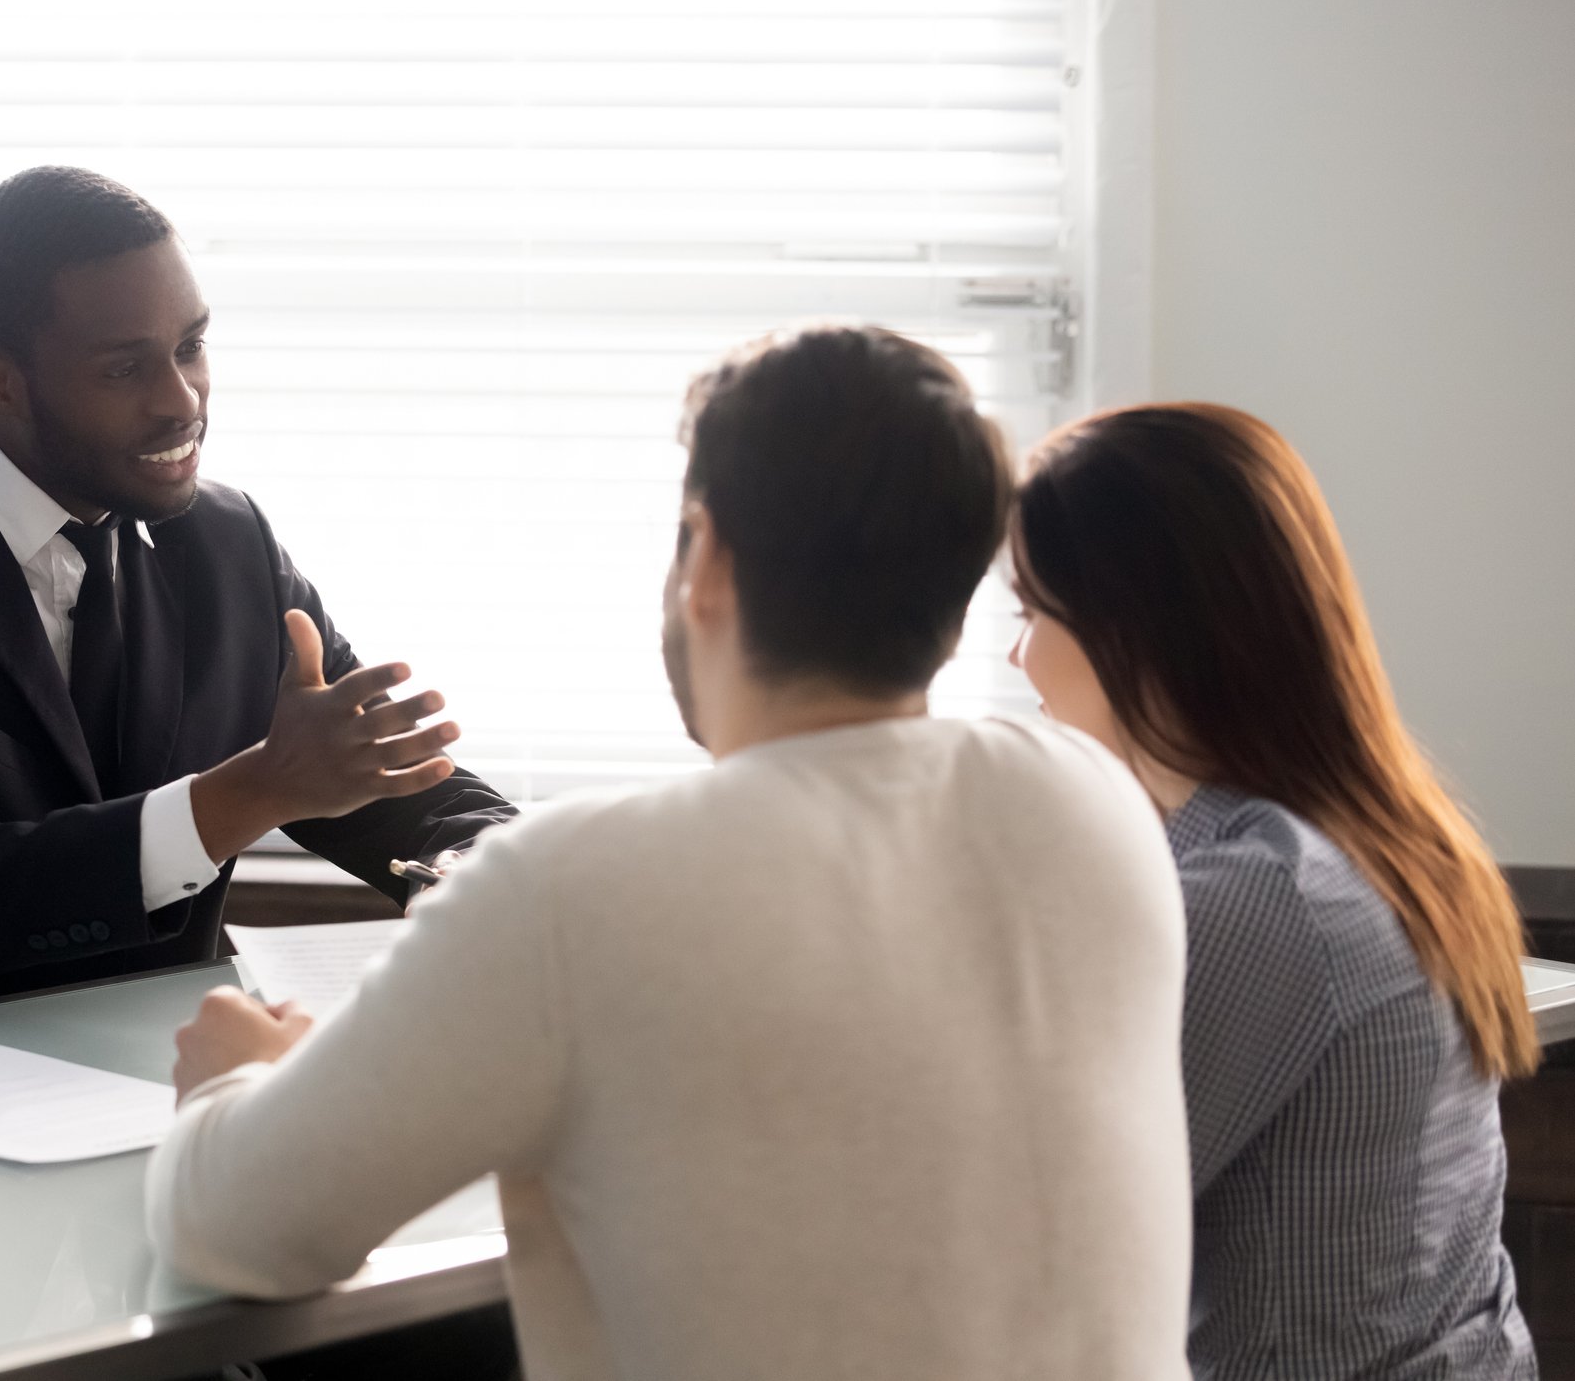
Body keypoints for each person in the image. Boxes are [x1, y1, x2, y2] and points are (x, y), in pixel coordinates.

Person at [149, 325, 1196, 1381]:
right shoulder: (1096, 805)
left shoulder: (575, 888)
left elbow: (235, 1229)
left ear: (707, 559)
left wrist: (235, 1082)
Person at [0, 166, 513, 1020]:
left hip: (153, 1065)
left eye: (189, 349)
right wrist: (256, 789)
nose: (182, 403)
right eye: (124, 369)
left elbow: (370, 776)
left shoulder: (225, 539)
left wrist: (486, 862)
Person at [1007, 402, 1539, 1379]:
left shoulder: (1266, 896)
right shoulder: (1386, 831)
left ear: (1139, 627)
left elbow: (1045, 1235)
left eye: (1032, 613)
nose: (1018, 658)